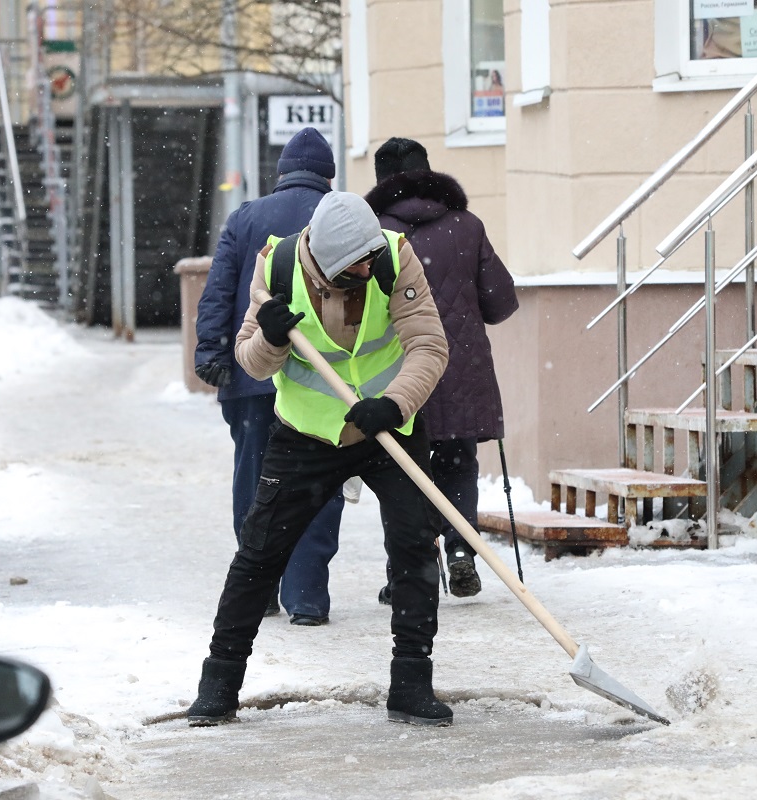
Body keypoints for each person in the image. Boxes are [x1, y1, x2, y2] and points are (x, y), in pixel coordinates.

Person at [186, 191, 453, 728]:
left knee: (415, 551)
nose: (368, 267)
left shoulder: (395, 258)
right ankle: (218, 683)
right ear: (326, 264)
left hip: (389, 425)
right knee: (260, 553)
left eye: (370, 256)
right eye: (356, 264)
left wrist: (395, 402)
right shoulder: (278, 266)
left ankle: (411, 683)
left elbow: (429, 345)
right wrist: (271, 336)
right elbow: (253, 365)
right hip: (307, 432)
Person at [194, 127, 345, 626]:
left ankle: (257, 588)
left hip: (253, 373)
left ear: (280, 175)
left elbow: (217, 290)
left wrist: (211, 349)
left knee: (257, 480)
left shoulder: (245, 217)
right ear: (329, 176)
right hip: (321, 379)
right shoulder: (340, 217)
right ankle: (306, 594)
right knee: (317, 482)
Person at [364, 137, 519, 600]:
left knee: (402, 473)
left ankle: (408, 569)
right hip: (459, 368)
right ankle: (461, 551)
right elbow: (501, 302)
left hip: (399, 369)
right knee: (457, 463)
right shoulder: (466, 226)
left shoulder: (372, 234)